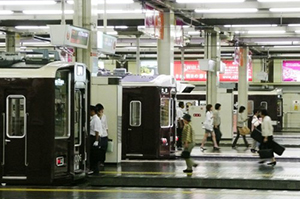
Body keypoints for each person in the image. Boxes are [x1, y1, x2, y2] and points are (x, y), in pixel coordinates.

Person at [89, 105, 103, 174]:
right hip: (93, 137)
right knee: (93, 154)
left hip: (94, 138)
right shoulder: (93, 119)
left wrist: (96, 140)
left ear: (92, 111)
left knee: (94, 155)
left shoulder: (96, 119)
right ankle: (93, 168)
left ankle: (94, 169)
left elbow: (96, 131)